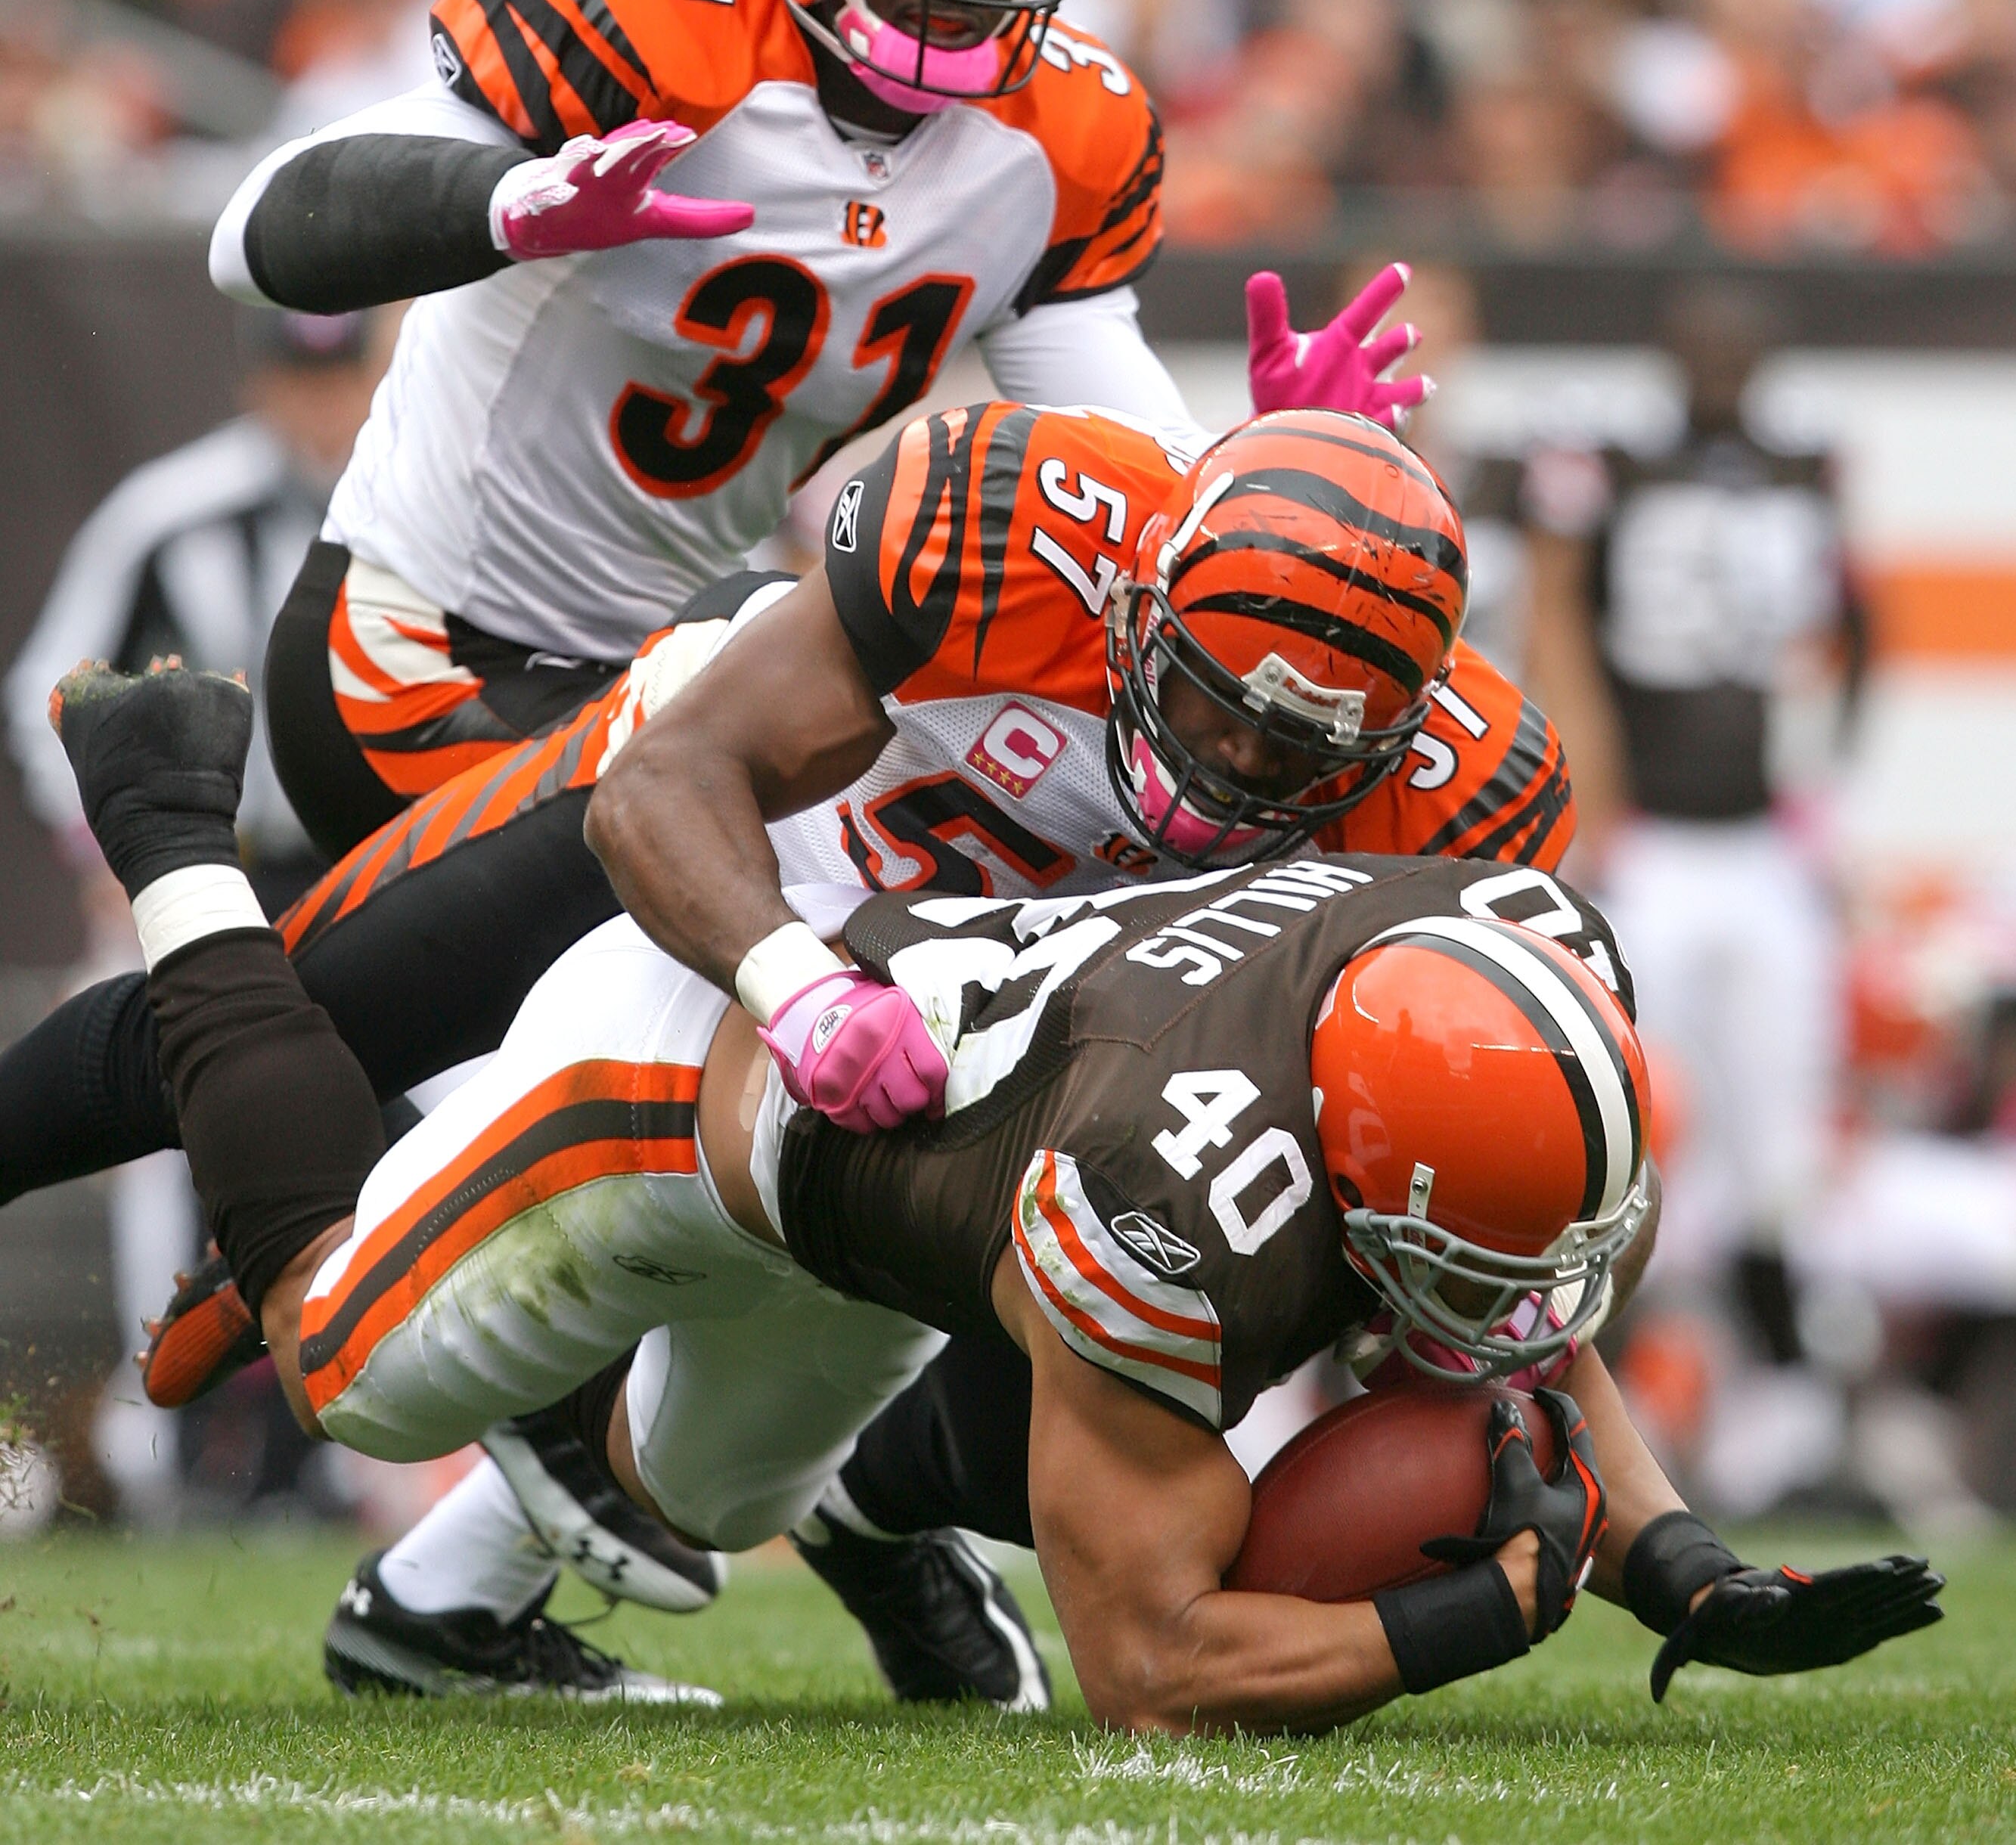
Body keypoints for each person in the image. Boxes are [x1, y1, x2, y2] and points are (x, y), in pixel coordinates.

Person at [49, 655, 1946, 1728]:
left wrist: (1684, 1572)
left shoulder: (1499, 944)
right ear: (1348, 1174)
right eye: (1427, 1255)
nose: (1511, 1313)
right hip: (672, 1089)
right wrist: (1476, 1617)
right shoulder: (1162, 1214)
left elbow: (1519, 1309)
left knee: (712, 1495)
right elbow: (1149, 1670)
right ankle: (175, 838)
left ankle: (555, 1541)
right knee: (343, 1364)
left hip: (897, 1189)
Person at [29, 400, 1552, 1702]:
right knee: (314, 1017)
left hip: (946, 1043)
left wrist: (1650, 1537)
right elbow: (667, 791)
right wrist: (791, 979)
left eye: (1295, 756)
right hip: (739, 838)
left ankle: (563, 1569)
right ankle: (177, 871)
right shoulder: (1013, 530)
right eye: (1218, 709)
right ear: (1146, 601)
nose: (1233, 775)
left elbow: (1455, 1136)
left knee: (832, 1454)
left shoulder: (1449, 799)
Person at [209, 0, 1196, 866]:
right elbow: (251, 238)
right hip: (413, 656)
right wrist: (512, 207)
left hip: (657, 677)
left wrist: (1272, 458)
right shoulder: (658, 31)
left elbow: (1138, 470)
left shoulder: (1058, 143)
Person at [3, 302, 389, 1522]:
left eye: (340, 384)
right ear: (257, 383)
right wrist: (107, 843)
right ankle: (161, 1439)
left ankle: (348, 1425)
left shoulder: (411, 509)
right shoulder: (174, 514)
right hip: (209, 864)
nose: (319, 414)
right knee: (180, 1128)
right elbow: (47, 690)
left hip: (365, 864)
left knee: (386, 1111)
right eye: (297, 383)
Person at [1522, 277, 1868, 1512]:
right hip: (1655, 843)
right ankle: (1611, 1413)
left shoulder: (1802, 465)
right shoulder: (1610, 457)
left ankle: (1782, 1417)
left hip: (1761, 848)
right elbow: (1557, 605)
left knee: (1779, 1136)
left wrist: (1826, 793)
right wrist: (1595, 804)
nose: (1722, 358)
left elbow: (1853, 635)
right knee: (1634, 1133)